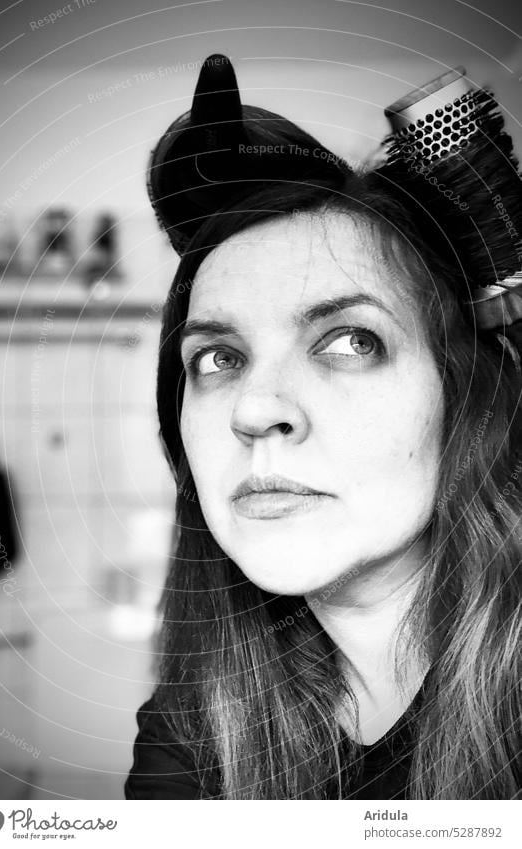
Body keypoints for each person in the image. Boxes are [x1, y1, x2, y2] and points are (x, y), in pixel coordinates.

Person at [125, 57, 522, 800]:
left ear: (462, 396)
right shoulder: (189, 735)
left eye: (349, 340)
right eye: (217, 356)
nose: (253, 409)